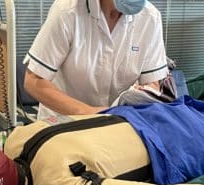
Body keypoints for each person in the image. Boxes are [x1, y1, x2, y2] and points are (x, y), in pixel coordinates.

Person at [24, 0, 169, 119]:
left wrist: (144, 93)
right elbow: (33, 82)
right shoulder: (67, 11)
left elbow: (152, 83)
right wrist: (88, 112)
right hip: (63, 121)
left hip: (116, 123)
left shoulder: (150, 18)